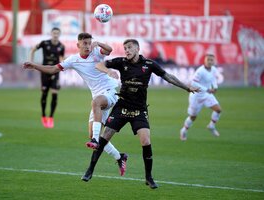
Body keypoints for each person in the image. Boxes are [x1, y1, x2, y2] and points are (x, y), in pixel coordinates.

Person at [81, 39, 199, 189]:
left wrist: (187, 87)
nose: (127, 51)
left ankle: (149, 177)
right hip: (122, 107)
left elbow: (168, 76)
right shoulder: (121, 62)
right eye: (125, 48)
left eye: (129, 47)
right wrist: (108, 70)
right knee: (104, 137)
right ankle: (90, 170)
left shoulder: (149, 64)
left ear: (137, 48)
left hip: (139, 110)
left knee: (145, 141)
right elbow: (99, 64)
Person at [24, 32, 128, 176]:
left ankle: (95, 140)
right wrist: (35, 66)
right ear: (78, 45)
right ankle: (120, 156)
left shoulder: (97, 52)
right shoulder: (73, 60)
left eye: (89, 42)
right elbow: (53, 69)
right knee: (93, 131)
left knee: (95, 105)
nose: (87, 46)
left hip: (110, 91)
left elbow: (109, 50)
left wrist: (97, 43)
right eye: (84, 43)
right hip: (98, 96)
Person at [180, 54, 222, 141]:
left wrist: (215, 87)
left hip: (207, 95)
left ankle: (211, 126)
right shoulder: (200, 71)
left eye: (212, 60)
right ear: (205, 61)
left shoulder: (213, 69)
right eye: (208, 60)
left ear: (214, 61)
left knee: (218, 110)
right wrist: (207, 89)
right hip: (196, 96)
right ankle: (183, 130)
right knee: (193, 117)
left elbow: (213, 79)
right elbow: (193, 83)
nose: (210, 62)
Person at [29, 27, 65, 128]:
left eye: (57, 33)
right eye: (54, 33)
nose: (55, 35)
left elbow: (62, 59)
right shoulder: (44, 43)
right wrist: (31, 62)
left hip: (55, 71)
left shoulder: (61, 46)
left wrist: (66, 64)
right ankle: (43, 115)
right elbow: (33, 50)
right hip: (44, 71)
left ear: (59, 34)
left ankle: (51, 117)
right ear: (51, 33)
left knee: (54, 93)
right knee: (44, 93)